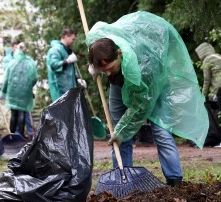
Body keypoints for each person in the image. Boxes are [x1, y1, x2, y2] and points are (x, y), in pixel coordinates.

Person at [87, 11, 208, 186]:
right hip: (119, 86)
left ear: (119, 53)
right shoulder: (103, 44)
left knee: (161, 131)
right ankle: (123, 179)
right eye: (103, 69)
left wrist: (123, 131)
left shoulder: (147, 69)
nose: (106, 73)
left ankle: (174, 181)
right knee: (117, 135)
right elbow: (93, 42)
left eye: (109, 67)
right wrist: (94, 66)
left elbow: (141, 106)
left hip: (153, 87)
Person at [195, 42, 221, 147]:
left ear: (201, 53)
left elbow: (207, 80)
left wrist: (203, 96)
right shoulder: (219, 57)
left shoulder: (207, 60)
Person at [0, 42, 38, 137]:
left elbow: (6, 79)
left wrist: (3, 92)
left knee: (14, 114)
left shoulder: (11, 63)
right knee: (22, 113)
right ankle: (20, 136)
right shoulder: (29, 63)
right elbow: (34, 78)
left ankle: (12, 135)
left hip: (12, 93)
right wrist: (29, 87)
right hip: (25, 93)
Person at [46, 28, 87, 102]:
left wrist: (77, 78)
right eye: (72, 39)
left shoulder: (66, 50)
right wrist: (68, 60)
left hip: (68, 90)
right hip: (60, 90)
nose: (73, 42)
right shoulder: (55, 50)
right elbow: (54, 65)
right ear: (65, 37)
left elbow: (69, 70)